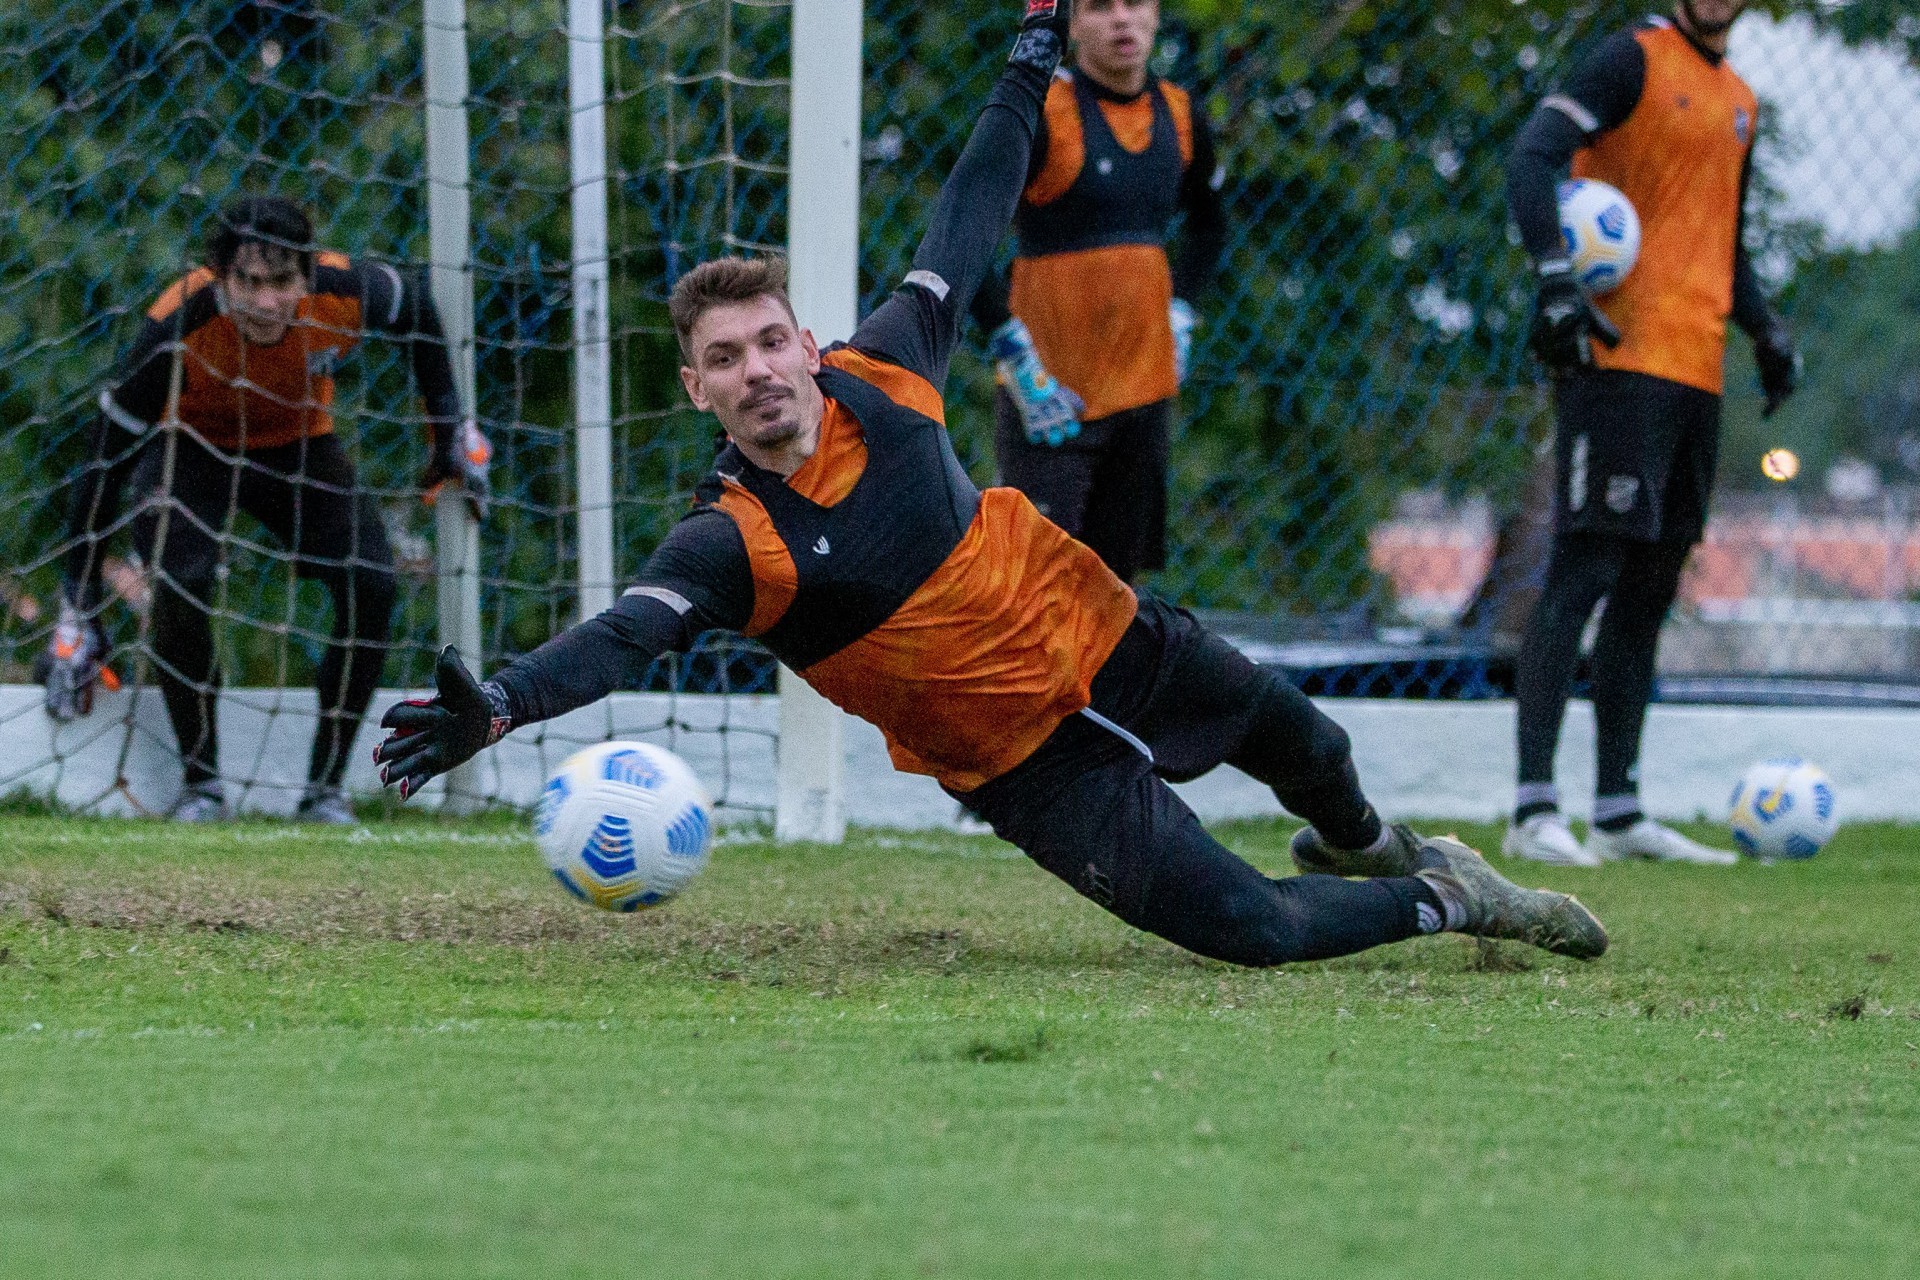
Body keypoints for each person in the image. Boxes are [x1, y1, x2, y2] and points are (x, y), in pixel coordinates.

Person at [374, 0, 1607, 969]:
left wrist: (1032, 54)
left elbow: (973, 204)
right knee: (1256, 931)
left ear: (805, 343)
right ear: (697, 390)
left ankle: (1371, 842)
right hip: (1025, 764)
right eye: (721, 361)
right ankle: (1453, 898)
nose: (755, 372)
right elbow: (618, 639)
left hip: (1095, 625)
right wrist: (502, 704)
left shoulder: (887, 367)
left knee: (1308, 738)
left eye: (767, 342)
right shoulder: (728, 542)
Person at [46, 195, 491, 824]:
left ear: (306, 276)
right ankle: (202, 787)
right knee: (181, 579)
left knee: (371, 582)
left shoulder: (347, 291)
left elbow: (417, 307)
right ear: (221, 280)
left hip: (300, 446)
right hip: (191, 448)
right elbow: (105, 460)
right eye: (247, 283)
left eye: (280, 282)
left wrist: (449, 428)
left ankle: (325, 791)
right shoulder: (178, 322)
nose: (264, 301)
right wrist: (79, 599)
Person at [1502, 0, 1799, 866]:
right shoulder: (1631, 59)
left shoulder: (1741, 97)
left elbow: (1722, 239)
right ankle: (1533, 806)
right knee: (1585, 566)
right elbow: (1532, 157)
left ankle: (1620, 812)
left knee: (1652, 582)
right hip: (1615, 356)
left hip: (1696, 372)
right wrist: (1557, 277)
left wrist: (1766, 329)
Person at [969, 0, 1225, 584]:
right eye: (1100, 6)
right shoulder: (1043, 112)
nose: (1121, 20)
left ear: (1156, 14)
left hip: (1143, 392)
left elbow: (1211, 225)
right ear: (1073, 22)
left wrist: (1182, 311)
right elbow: (967, 226)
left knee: (1115, 592)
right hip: (1051, 398)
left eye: (1134, 4)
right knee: (1037, 585)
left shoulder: (1181, 115)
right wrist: (1009, 346)